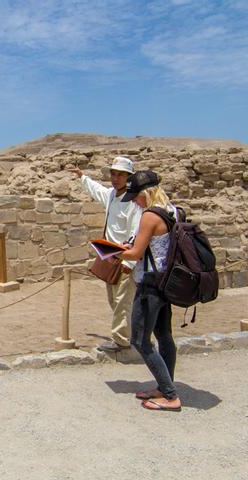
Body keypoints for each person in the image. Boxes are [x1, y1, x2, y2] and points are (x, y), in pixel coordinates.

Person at [118, 170, 181, 412]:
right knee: (164, 336)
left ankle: (170, 395)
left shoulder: (149, 216)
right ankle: (164, 385)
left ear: (146, 193)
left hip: (150, 285)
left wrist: (112, 252)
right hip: (167, 282)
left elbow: (135, 254)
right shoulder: (173, 211)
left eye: (136, 196)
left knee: (140, 340)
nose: (134, 201)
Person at [70, 157, 141, 352]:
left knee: (122, 302)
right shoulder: (112, 195)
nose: (115, 178)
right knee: (114, 299)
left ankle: (121, 341)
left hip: (126, 259)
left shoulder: (134, 203)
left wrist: (130, 264)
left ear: (129, 177)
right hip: (110, 256)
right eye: (113, 174)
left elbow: (136, 233)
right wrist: (82, 176)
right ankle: (131, 336)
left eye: (120, 175)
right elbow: (96, 190)